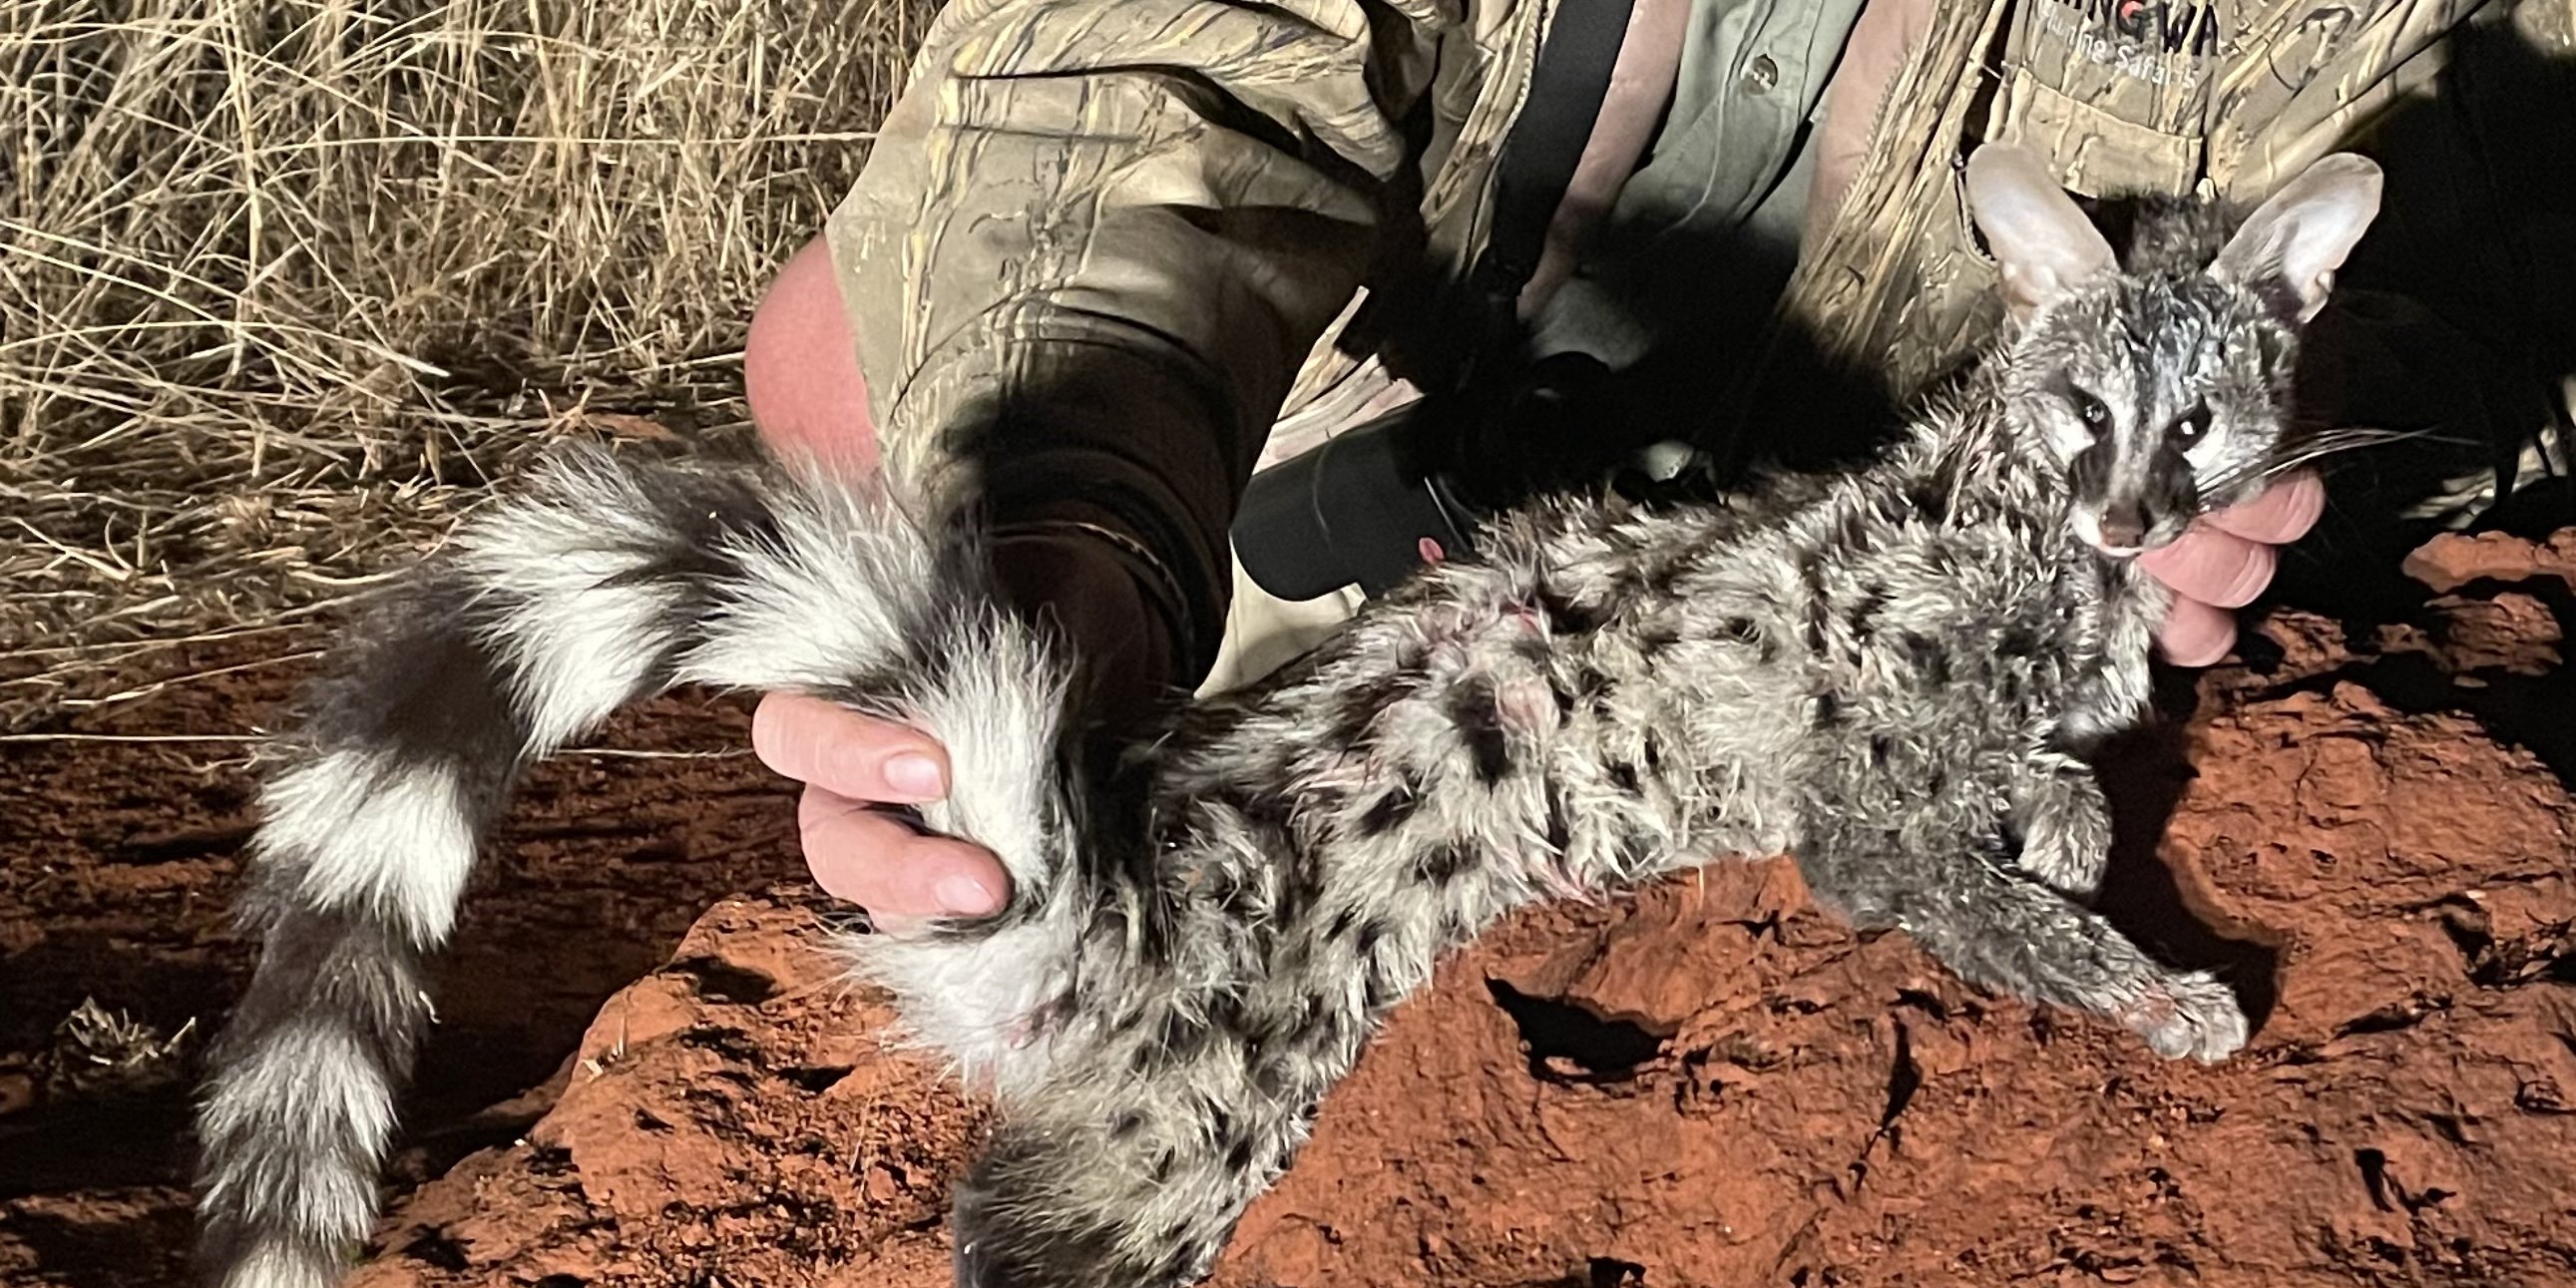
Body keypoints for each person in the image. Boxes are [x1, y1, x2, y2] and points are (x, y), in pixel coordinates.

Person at [740, 0, 2566, 924]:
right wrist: (1073, 516)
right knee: (843, 349)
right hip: (1411, 467)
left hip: (1865, 597)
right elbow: (1151, 51)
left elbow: (2483, 273)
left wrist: (2284, 430)